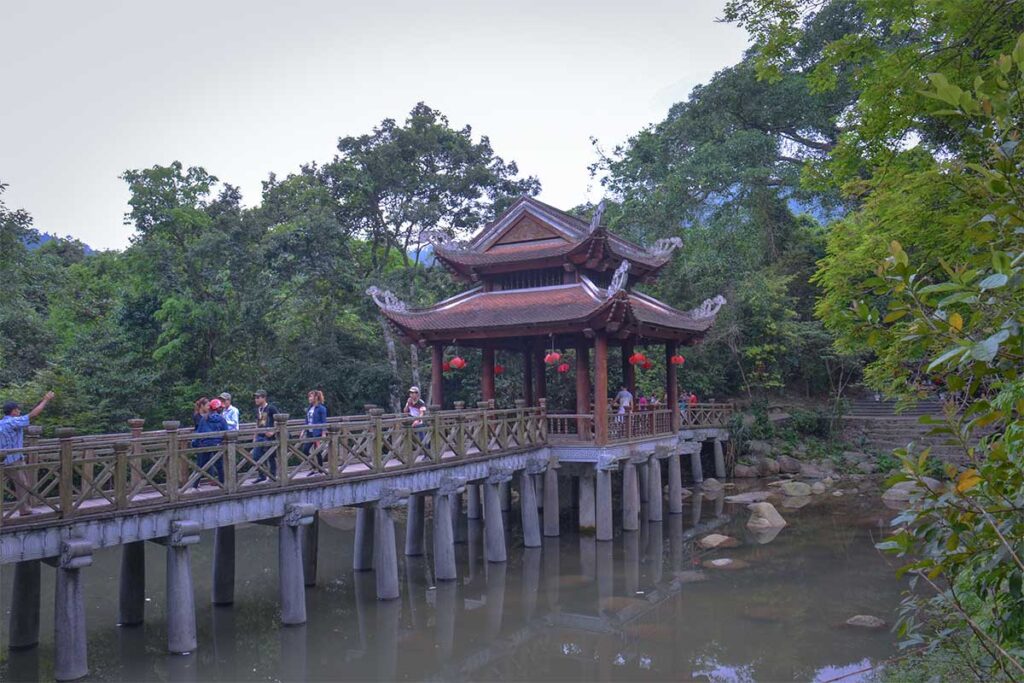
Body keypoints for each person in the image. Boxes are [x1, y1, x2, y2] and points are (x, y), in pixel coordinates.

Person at [1, 391, 56, 516]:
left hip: (5, 459)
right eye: (18, 410)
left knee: (22, 483)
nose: (19, 412)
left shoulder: (2, 423)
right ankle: (25, 510)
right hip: (13, 460)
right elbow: (33, 415)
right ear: (13, 411)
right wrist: (46, 400)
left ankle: (24, 509)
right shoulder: (12, 422)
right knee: (23, 484)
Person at [193, 398, 228, 486]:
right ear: (218, 409)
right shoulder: (221, 419)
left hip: (205, 444)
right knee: (219, 465)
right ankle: (222, 483)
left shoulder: (204, 418)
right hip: (217, 444)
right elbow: (227, 432)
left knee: (201, 466)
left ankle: (195, 484)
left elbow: (199, 432)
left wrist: (195, 443)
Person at [253, 390, 279, 481]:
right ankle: (262, 475)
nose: (256, 399)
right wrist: (255, 436)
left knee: (270, 456)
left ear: (264, 398)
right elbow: (257, 423)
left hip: (269, 437)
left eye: (258, 397)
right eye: (255, 397)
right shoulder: (258, 410)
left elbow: (279, 421)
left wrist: (273, 432)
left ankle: (272, 476)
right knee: (255, 456)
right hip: (260, 436)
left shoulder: (271, 408)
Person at [302, 390, 328, 467]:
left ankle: (320, 469)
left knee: (317, 451)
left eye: (311, 397)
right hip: (309, 432)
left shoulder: (321, 408)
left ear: (316, 397)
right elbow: (306, 420)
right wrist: (303, 430)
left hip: (317, 433)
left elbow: (324, 422)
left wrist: (323, 433)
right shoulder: (309, 408)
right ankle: (314, 465)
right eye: (309, 397)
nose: (309, 398)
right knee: (305, 450)